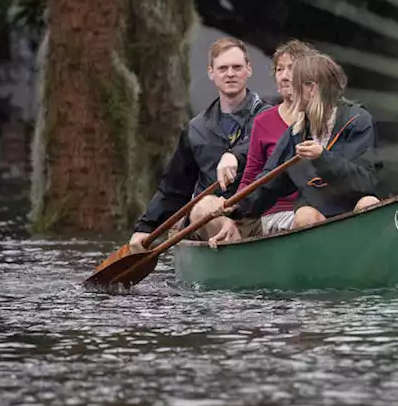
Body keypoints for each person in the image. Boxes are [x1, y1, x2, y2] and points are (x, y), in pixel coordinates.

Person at [210, 53, 380, 246]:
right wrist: (235, 206)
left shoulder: (357, 120)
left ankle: (366, 267)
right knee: (304, 215)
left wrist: (322, 157)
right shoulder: (296, 133)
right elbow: (269, 182)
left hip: (352, 214)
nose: (290, 92)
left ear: (312, 89)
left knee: (369, 204)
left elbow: (365, 181)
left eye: (295, 85)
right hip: (318, 217)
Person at [126, 37, 270, 252]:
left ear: (248, 70)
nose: (230, 73)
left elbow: (267, 144)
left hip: (255, 216)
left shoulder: (269, 117)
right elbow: (174, 189)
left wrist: (235, 156)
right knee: (203, 206)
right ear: (211, 73)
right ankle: (237, 250)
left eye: (237, 67)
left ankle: (240, 249)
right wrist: (145, 227)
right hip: (208, 219)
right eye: (223, 68)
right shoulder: (195, 129)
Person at [230, 39, 319, 237]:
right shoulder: (263, 122)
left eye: (292, 68)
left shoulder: (325, 118)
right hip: (278, 214)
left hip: (322, 209)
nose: (285, 76)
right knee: (307, 217)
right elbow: (250, 175)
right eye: (280, 70)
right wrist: (235, 212)